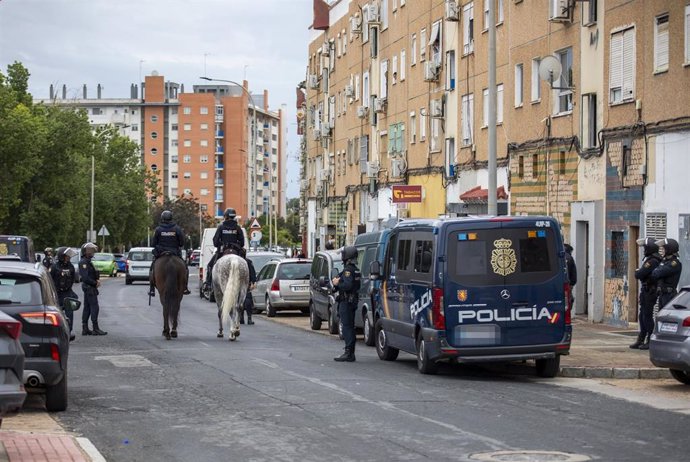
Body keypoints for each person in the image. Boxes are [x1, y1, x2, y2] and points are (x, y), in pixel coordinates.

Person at [629, 238, 662, 350]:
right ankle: (641, 338)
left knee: (647, 316)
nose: (644, 250)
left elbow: (639, 274)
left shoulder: (652, 261)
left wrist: (638, 271)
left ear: (649, 248)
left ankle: (650, 339)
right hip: (646, 291)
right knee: (642, 315)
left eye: (645, 248)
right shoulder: (652, 259)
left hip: (650, 291)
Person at [149, 210, 190, 296]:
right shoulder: (177, 229)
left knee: (152, 268)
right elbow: (182, 242)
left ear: (162, 218)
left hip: (161, 253)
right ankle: (185, 287)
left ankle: (152, 289)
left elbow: (153, 243)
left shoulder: (158, 229)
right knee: (185, 268)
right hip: (174, 252)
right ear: (171, 218)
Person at [332, 246, 361, 362]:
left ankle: (348, 353)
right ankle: (350, 352)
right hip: (352, 301)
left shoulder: (348, 270)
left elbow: (347, 286)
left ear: (347, 257)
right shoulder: (356, 269)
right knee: (350, 326)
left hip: (347, 301)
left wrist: (337, 283)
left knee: (347, 327)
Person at [205, 208, 245, 288]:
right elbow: (242, 243)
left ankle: (208, 284)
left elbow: (215, 242)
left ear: (225, 216)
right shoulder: (238, 228)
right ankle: (250, 282)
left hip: (223, 251)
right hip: (236, 251)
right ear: (234, 217)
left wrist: (222, 243)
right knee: (248, 264)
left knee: (210, 265)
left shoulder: (221, 227)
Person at [50, 247, 78, 341]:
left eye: (69, 256)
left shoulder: (71, 267)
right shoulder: (55, 267)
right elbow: (51, 280)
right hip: (57, 293)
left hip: (67, 292)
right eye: (66, 256)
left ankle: (69, 332)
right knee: (57, 313)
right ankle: (57, 333)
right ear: (62, 256)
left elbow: (73, 278)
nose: (68, 258)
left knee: (70, 313)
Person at [79, 242, 107, 336]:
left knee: (87, 307)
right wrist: (95, 283)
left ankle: (85, 328)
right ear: (86, 252)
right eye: (91, 251)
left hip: (89, 287)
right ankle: (95, 328)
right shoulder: (84, 262)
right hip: (89, 287)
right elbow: (85, 277)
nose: (92, 253)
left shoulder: (87, 262)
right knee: (94, 307)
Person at [652, 237, 683, 311]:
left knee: (667, 317)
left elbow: (658, 273)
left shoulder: (674, 263)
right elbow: (654, 273)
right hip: (662, 294)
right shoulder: (665, 261)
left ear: (669, 249)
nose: (661, 251)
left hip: (669, 295)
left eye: (663, 249)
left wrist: (658, 270)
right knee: (660, 317)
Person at [240, 257, 257, 325]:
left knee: (241, 300)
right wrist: (253, 281)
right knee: (247, 300)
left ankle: (242, 318)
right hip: (246, 283)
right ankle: (249, 318)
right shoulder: (248, 261)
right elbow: (252, 273)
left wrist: (253, 281)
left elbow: (252, 272)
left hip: (241, 283)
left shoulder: (248, 262)